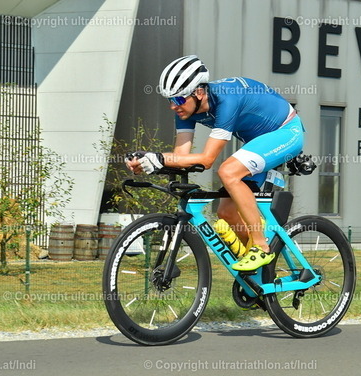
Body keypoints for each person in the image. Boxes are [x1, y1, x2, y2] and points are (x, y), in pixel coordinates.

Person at [125, 55, 304, 271]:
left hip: (287, 132)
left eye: (178, 99)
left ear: (199, 92)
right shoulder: (185, 109)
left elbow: (207, 159)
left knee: (228, 171)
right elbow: (180, 156)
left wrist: (160, 158)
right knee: (226, 212)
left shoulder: (226, 100)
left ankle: (261, 247)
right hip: (257, 143)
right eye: (169, 100)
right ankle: (259, 271)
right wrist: (147, 162)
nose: (173, 106)